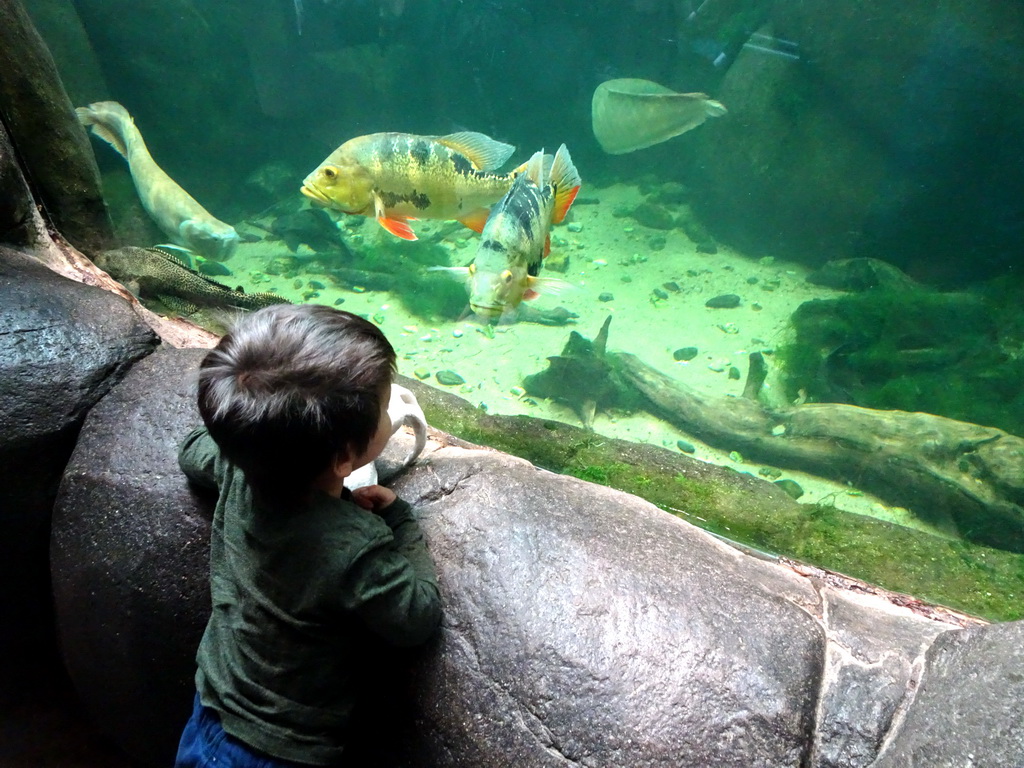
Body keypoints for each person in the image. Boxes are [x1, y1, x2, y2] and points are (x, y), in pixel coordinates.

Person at [174, 303, 442, 767]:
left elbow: (192, 452)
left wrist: (248, 436)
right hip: (279, 751)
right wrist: (400, 522)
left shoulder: (237, 470)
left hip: (209, 707)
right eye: (382, 407)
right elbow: (415, 617)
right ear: (344, 458)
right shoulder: (352, 544)